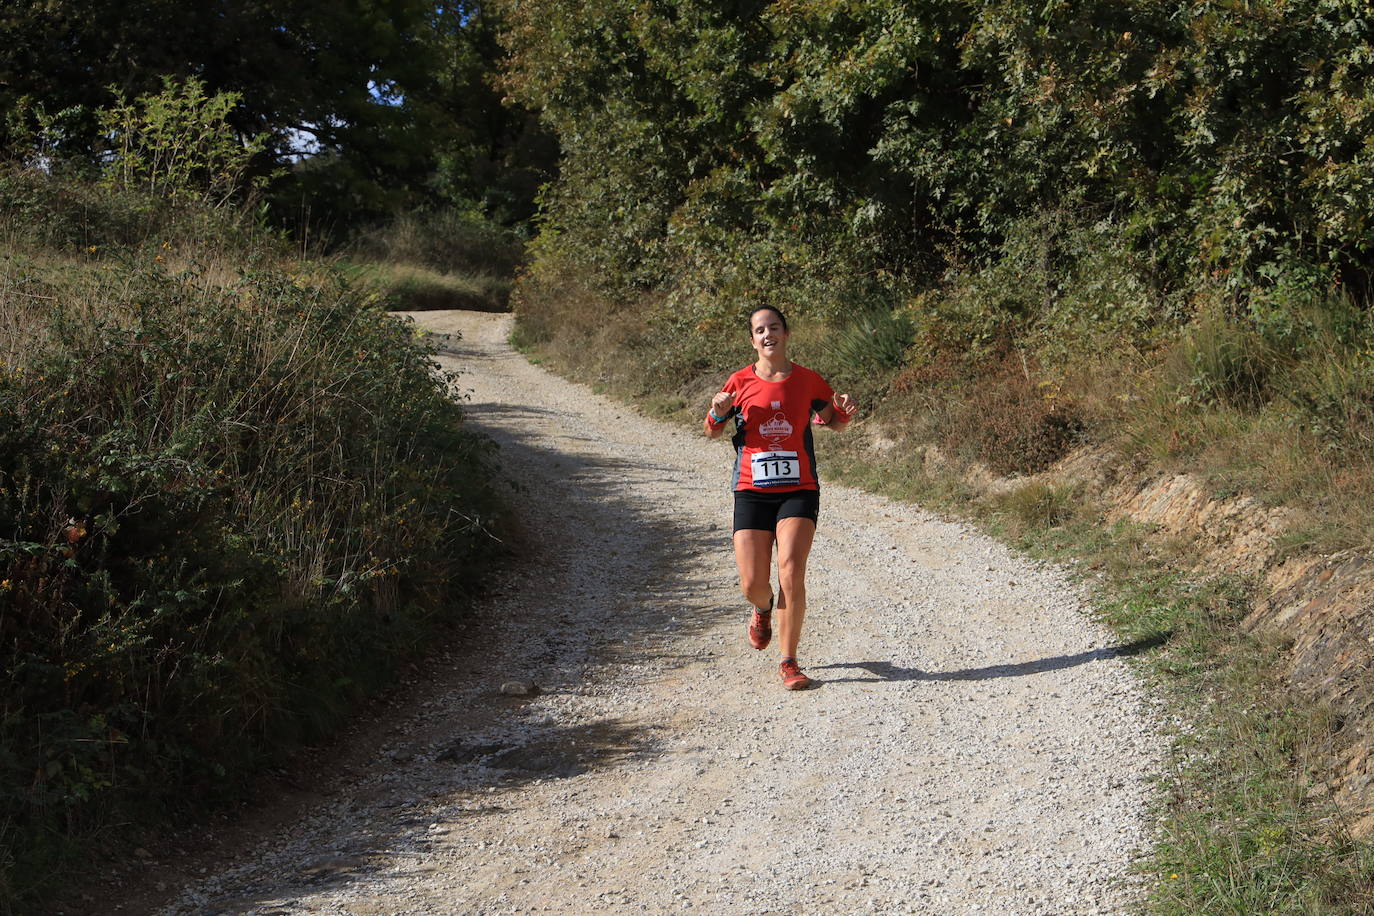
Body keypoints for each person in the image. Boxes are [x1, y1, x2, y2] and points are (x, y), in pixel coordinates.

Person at [703, 306, 857, 689]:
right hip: (752, 491)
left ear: (786, 334)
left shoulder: (808, 380)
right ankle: (762, 608)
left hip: (799, 490)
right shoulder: (738, 382)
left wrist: (845, 414)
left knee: (790, 570)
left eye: (774, 327)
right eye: (760, 330)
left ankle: (789, 661)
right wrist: (718, 413)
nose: (767, 334)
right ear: (752, 340)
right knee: (752, 583)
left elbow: (833, 421)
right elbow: (712, 431)